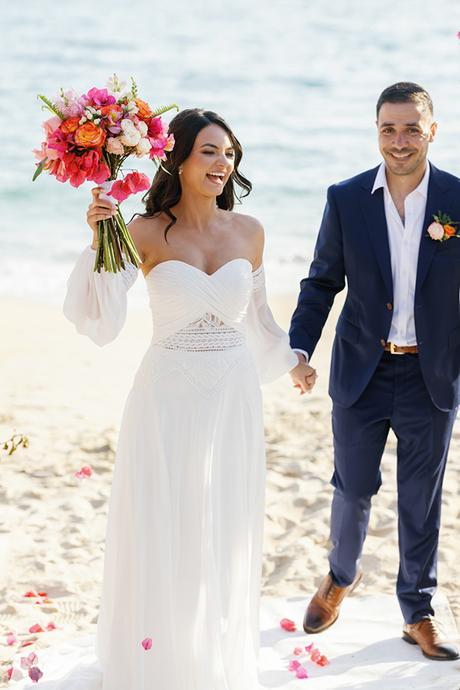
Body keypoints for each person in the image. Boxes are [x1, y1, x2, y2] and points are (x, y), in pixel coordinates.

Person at [61, 108, 317, 690]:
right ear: (176, 156)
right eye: (208, 151)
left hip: (233, 395)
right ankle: (159, 658)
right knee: (163, 519)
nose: (222, 163)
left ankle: (209, 657)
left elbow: (256, 318)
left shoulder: (249, 231)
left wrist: (290, 361)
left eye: (228, 153)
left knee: (221, 524)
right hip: (165, 395)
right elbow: (102, 315)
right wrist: (100, 233)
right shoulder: (144, 229)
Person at [289, 82, 460, 661]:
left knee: (421, 498)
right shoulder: (345, 199)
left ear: (432, 131)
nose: (400, 140)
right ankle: (340, 576)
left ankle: (418, 611)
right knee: (353, 488)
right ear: (376, 132)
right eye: (389, 128)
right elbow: (321, 282)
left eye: (412, 127)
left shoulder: (457, 201)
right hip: (361, 371)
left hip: (431, 377)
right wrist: (300, 350)